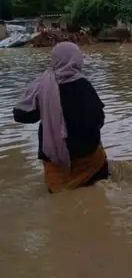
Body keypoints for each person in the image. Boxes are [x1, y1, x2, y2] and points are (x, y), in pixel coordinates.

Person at [13, 42, 108, 193]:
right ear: (77, 59)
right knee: (98, 197)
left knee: (59, 200)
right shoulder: (83, 86)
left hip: (54, 160)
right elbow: (98, 119)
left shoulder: (42, 86)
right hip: (88, 157)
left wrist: (46, 109)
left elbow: (21, 115)